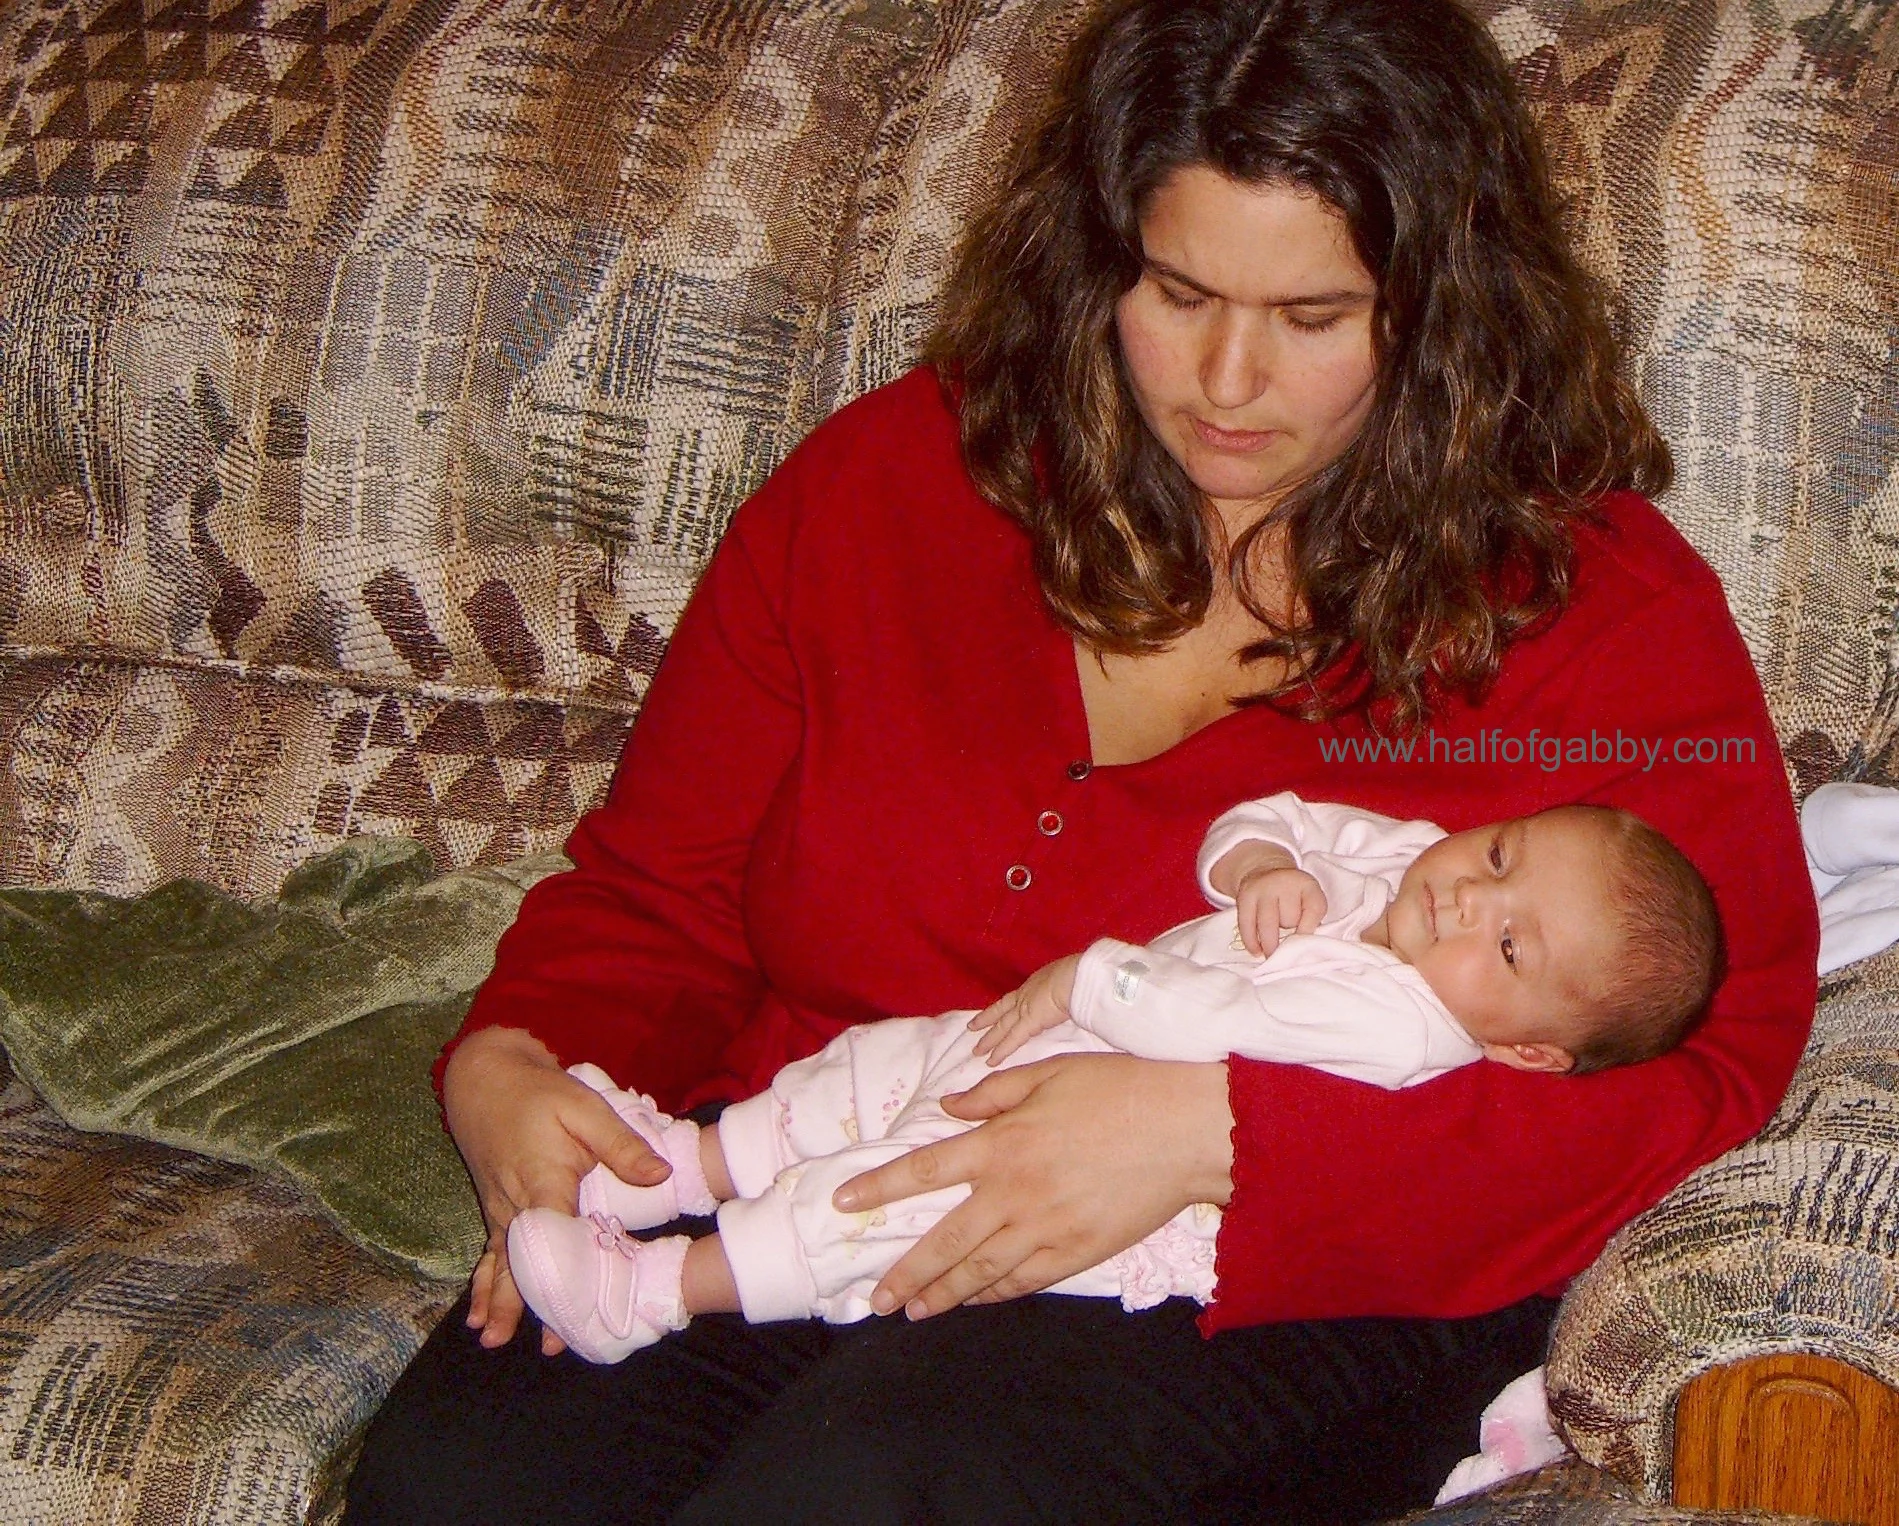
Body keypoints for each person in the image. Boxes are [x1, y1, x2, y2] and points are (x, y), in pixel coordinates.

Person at [344, 0, 1817, 1520]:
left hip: (1239, 1264)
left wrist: (1226, 1132)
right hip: (825, 1142)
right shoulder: (892, 483)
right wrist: (514, 1059)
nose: (1227, 381)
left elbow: (1713, 1067)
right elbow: (660, 888)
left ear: (1442, 310)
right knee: (460, 1485)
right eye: (1177, 292)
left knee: (859, 1492)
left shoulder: (1601, 615)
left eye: (1314, 317)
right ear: (1096, 257)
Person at [504, 794, 1724, 1363]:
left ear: (1523, 1048)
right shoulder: (1408, 862)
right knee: (875, 1065)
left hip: (1103, 1159)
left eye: (1509, 946)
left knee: (890, 1199)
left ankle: (656, 1291)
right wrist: (1261, 862)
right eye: (1501, 853)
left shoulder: (1399, 1025)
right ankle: (672, 1167)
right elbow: (1272, 815)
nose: (1466, 896)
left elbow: (1219, 1013)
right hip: (1061, 1038)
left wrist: (1086, 977)